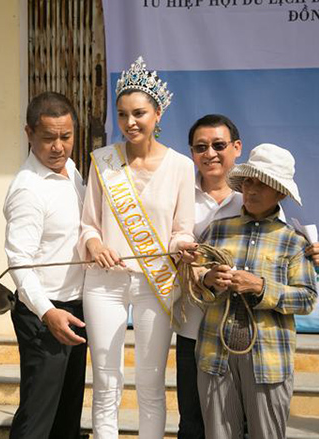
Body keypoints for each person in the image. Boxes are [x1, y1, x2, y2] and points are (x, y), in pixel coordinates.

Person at [174, 114, 319, 439]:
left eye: (262, 184)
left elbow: (307, 298)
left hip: (268, 358)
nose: (252, 190)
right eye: (248, 182)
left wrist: (259, 287)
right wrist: (208, 280)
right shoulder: (217, 231)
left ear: (280, 193)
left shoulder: (293, 241)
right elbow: (197, 284)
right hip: (214, 352)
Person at [78, 56, 196, 439]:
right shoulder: (103, 161)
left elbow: (181, 230)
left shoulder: (181, 166)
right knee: (105, 379)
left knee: (150, 381)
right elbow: (88, 224)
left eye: (139, 113)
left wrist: (183, 247)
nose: (130, 122)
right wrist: (95, 243)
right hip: (104, 281)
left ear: (157, 114)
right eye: (123, 114)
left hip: (154, 282)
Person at [4, 92, 87, 439]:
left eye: (66, 137)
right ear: (29, 133)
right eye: (48, 137)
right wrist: (47, 312)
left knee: (67, 416)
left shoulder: (72, 171)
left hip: (75, 309)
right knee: (37, 418)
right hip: (44, 315)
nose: (58, 147)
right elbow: (18, 262)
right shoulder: (28, 189)